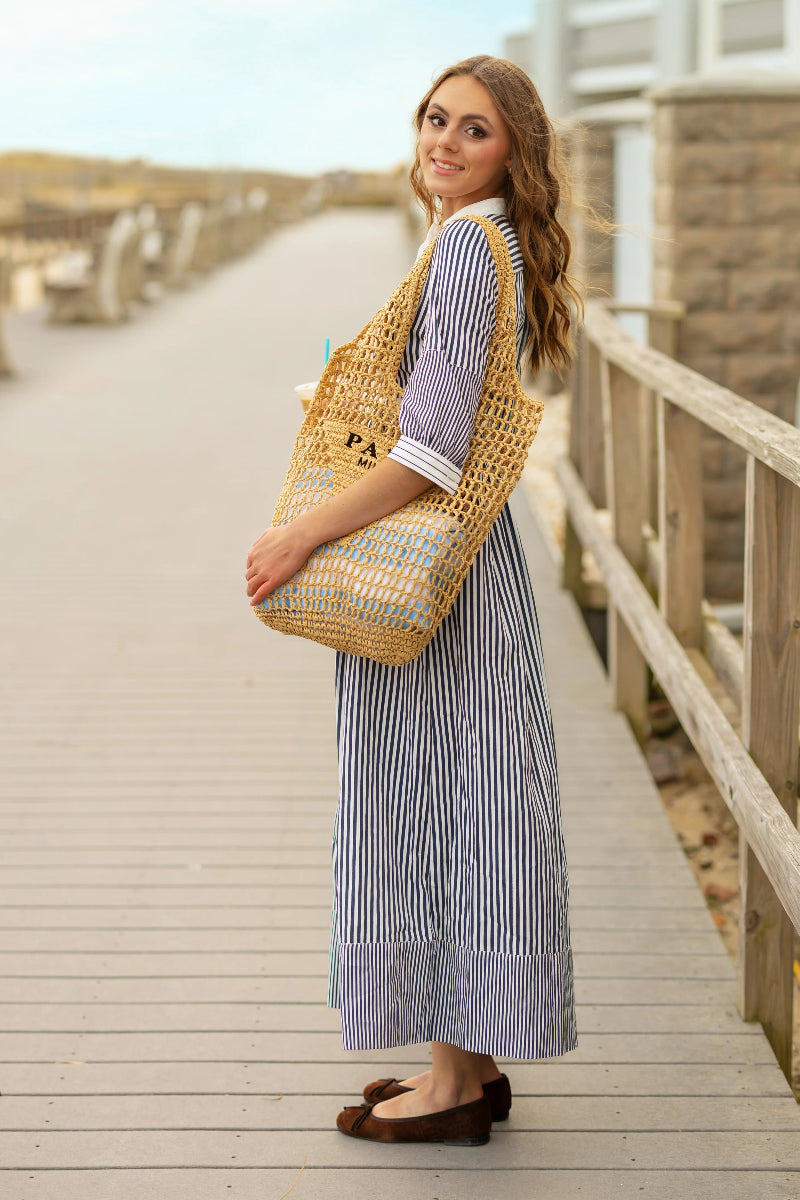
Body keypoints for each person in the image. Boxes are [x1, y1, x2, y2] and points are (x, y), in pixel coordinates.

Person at [246, 54, 581, 1148]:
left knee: (428, 803)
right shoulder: (488, 239)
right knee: (471, 794)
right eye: (436, 119)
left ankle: (448, 1089)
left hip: (439, 584)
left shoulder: (466, 249)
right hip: (475, 568)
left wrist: (300, 531)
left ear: (513, 150)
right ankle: (469, 1060)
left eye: (474, 129)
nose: (444, 140)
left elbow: (432, 452)